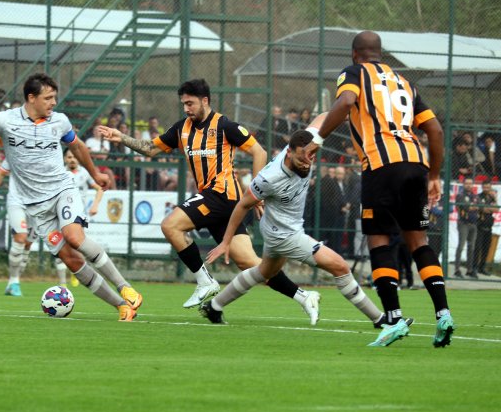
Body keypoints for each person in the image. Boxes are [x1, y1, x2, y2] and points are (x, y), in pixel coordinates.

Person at [99, 79, 316, 312]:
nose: (186, 109)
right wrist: (121, 138)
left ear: (205, 101)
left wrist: (257, 194)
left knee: (170, 226)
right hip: (218, 203)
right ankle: (304, 296)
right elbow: (151, 149)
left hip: (221, 194)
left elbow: (258, 151)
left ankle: (205, 281)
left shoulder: (224, 125)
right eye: (183, 104)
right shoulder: (181, 129)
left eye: (190, 103)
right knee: (250, 264)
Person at [0, 73, 142, 321]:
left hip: (62, 190)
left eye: (54, 97)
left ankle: (124, 287)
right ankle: (121, 306)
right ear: (31, 98)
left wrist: (95, 175)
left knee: (74, 237)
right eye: (48, 98)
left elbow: (78, 147)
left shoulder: (59, 121)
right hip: (36, 207)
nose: (53, 103)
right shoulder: (5, 120)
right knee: (71, 260)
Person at [314, 31, 453, 348]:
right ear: (380, 54)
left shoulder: (353, 73)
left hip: (381, 165)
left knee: (379, 240)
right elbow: (435, 129)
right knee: (418, 241)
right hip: (416, 165)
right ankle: (443, 313)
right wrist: (434, 175)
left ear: (354, 54)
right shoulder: (405, 82)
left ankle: (392, 319)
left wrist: (317, 140)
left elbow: (346, 101)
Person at [203, 127, 387, 328]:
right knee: (340, 266)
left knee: (263, 272)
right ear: (288, 152)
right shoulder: (270, 178)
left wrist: (347, 111)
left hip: (281, 228)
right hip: (284, 235)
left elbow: (324, 118)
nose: (307, 161)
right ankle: (379, 319)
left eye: (311, 156)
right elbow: (242, 205)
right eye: (301, 157)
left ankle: (214, 306)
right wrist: (226, 241)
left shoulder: (307, 148)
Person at [0, 159, 36, 296]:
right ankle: (14, 281)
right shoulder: (15, 149)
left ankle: (12, 282)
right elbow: (0, 173)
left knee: (28, 244)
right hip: (16, 201)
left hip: (38, 203)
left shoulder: (46, 150)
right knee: (20, 238)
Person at [54, 150, 104, 287]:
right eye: (69, 157)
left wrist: (95, 205)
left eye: (75, 157)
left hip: (78, 214)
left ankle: (74, 272)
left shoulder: (84, 173)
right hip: (61, 214)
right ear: (65, 158)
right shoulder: (59, 173)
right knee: (60, 247)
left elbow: (100, 188)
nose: (72, 160)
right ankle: (62, 284)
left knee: (77, 247)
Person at [454, 177, 479, 278]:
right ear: (463, 185)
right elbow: (466, 207)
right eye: (467, 183)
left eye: (470, 183)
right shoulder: (460, 195)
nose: (468, 185)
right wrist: (474, 207)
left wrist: (473, 207)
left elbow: (480, 206)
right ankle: (457, 269)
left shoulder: (475, 196)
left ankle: (469, 270)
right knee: (461, 246)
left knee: (471, 247)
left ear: (473, 185)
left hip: (474, 224)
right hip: (463, 223)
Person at [473, 182, 497, 276]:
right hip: (479, 225)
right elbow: (481, 209)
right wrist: (488, 209)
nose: (487, 188)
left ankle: (481, 267)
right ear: (482, 187)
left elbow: (497, 209)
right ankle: (474, 267)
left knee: (486, 248)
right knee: (477, 247)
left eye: (488, 187)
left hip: (489, 225)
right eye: (485, 187)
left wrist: (495, 199)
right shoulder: (478, 197)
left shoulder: (491, 198)